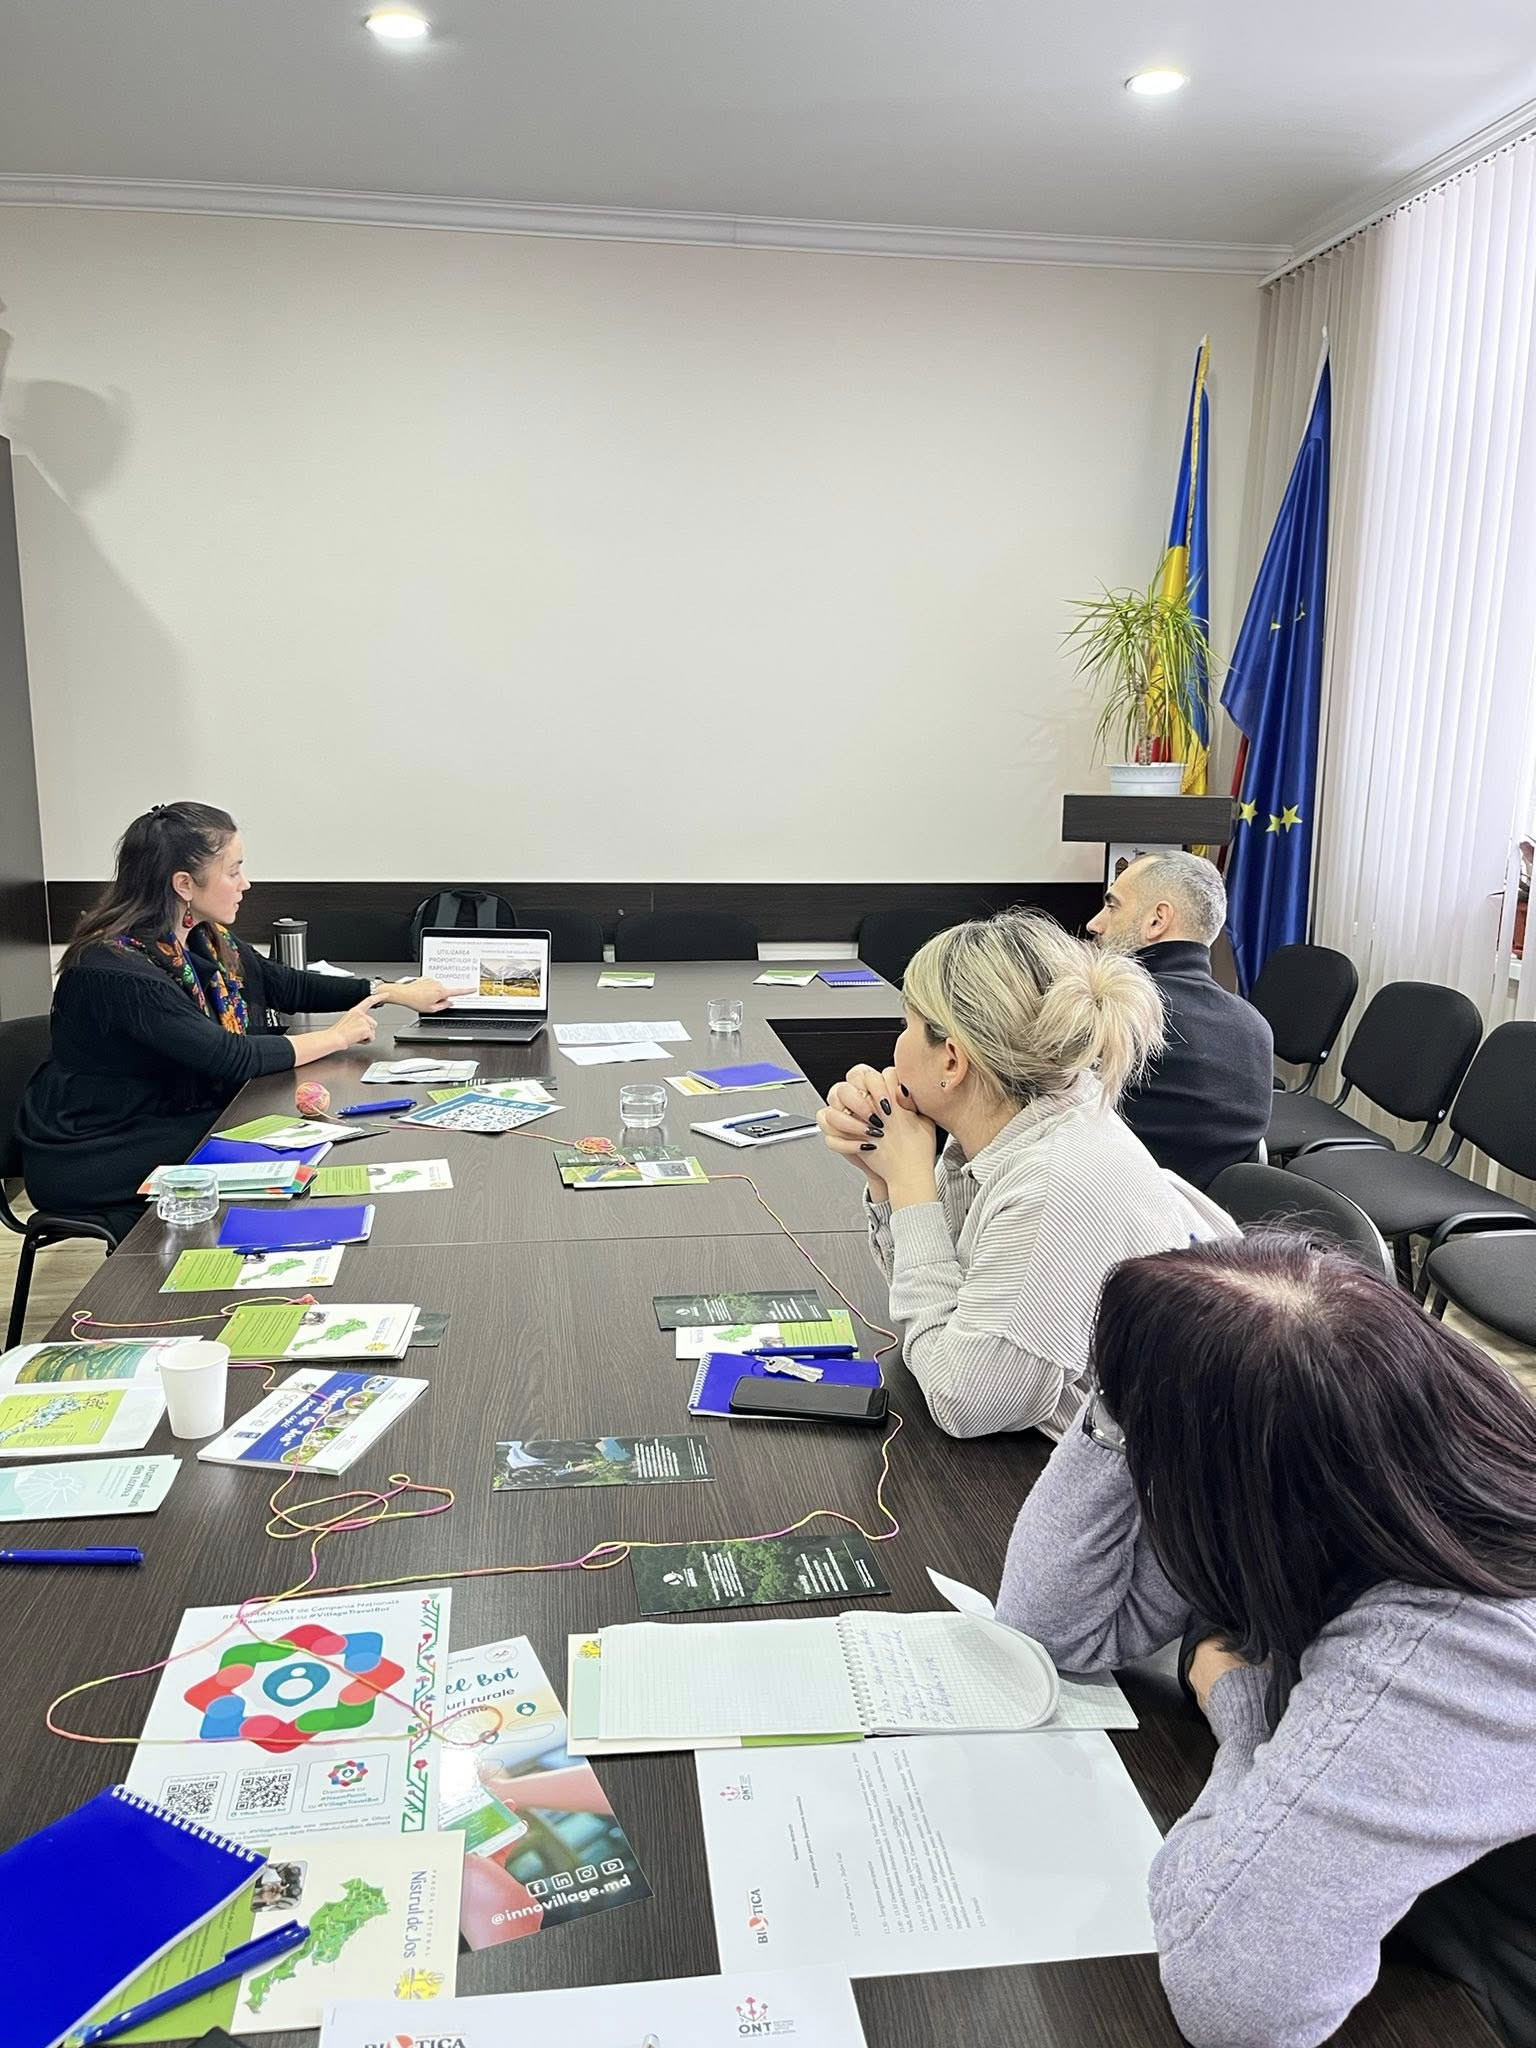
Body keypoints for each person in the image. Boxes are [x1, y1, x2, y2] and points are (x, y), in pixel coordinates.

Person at [997, 1232, 1536, 2048]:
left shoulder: (1451, 1648)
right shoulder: (1351, 1465)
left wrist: (1246, 1713)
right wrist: (1118, 1405)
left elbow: (1236, 2000)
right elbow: (1051, 1631)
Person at [816, 909, 1235, 1438]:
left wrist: (909, 1187)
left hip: (1133, 1472)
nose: (896, 1045)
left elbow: (963, 1400)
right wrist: (885, 1173)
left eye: (908, 1024)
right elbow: (944, 1302)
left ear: (952, 1062)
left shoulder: (1051, 1186)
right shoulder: (1032, 1115)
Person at [18, 802, 459, 1235]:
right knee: (281, 1149)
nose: (245, 884)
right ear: (184, 884)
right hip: (97, 1148)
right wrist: (336, 1037)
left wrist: (390, 992)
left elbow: (286, 984)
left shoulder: (205, 941)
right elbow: (228, 1056)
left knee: (290, 1137)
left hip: (165, 1118)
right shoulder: (115, 970)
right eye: (233, 871)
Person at [1086, 849, 1273, 1188]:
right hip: (1211, 1217)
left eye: (1112, 906)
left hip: (1107, 1207)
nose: (1095, 924)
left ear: (1157, 920)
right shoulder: (1256, 1027)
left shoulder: (1111, 1013)